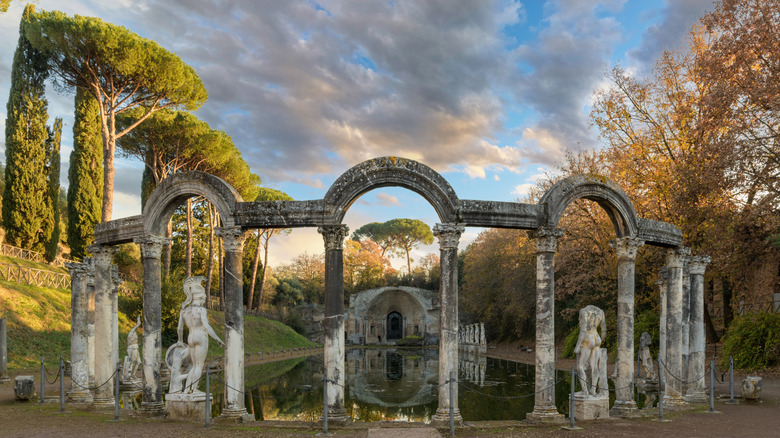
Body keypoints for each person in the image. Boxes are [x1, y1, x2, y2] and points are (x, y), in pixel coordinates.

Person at [176, 276, 224, 394]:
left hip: (190, 337)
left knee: (193, 365)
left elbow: (179, 328)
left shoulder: (184, 310)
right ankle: (194, 389)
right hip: (201, 336)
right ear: (201, 297)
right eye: (204, 298)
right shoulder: (201, 310)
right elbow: (207, 326)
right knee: (199, 365)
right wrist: (217, 338)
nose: (204, 299)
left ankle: (187, 389)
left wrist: (180, 341)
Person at [574, 305, 606, 396]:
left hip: (588, 338)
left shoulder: (584, 311)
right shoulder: (600, 312)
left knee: (580, 366)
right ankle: (593, 390)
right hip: (597, 338)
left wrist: (578, 345)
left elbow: (583, 329)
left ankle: (585, 391)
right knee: (594, 366)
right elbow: (604, 329)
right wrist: (602, 339)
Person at [122, 315, 142, 382]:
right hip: (132, 349)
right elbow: (134, 329)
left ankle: (133, 375)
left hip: (136, 348)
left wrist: (137, 344)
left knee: (139, 362)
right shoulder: (131, 332)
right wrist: (138, 324)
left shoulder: (133, 334)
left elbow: (134, 341)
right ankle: (129, 375)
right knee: (133, 362)